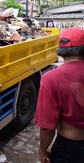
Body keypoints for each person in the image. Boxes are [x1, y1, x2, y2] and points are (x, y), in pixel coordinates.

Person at [35, 27, 84, 163]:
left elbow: (47, 127)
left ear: (61, 51)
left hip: (69, 149)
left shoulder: (51, 78)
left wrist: (42, 152)